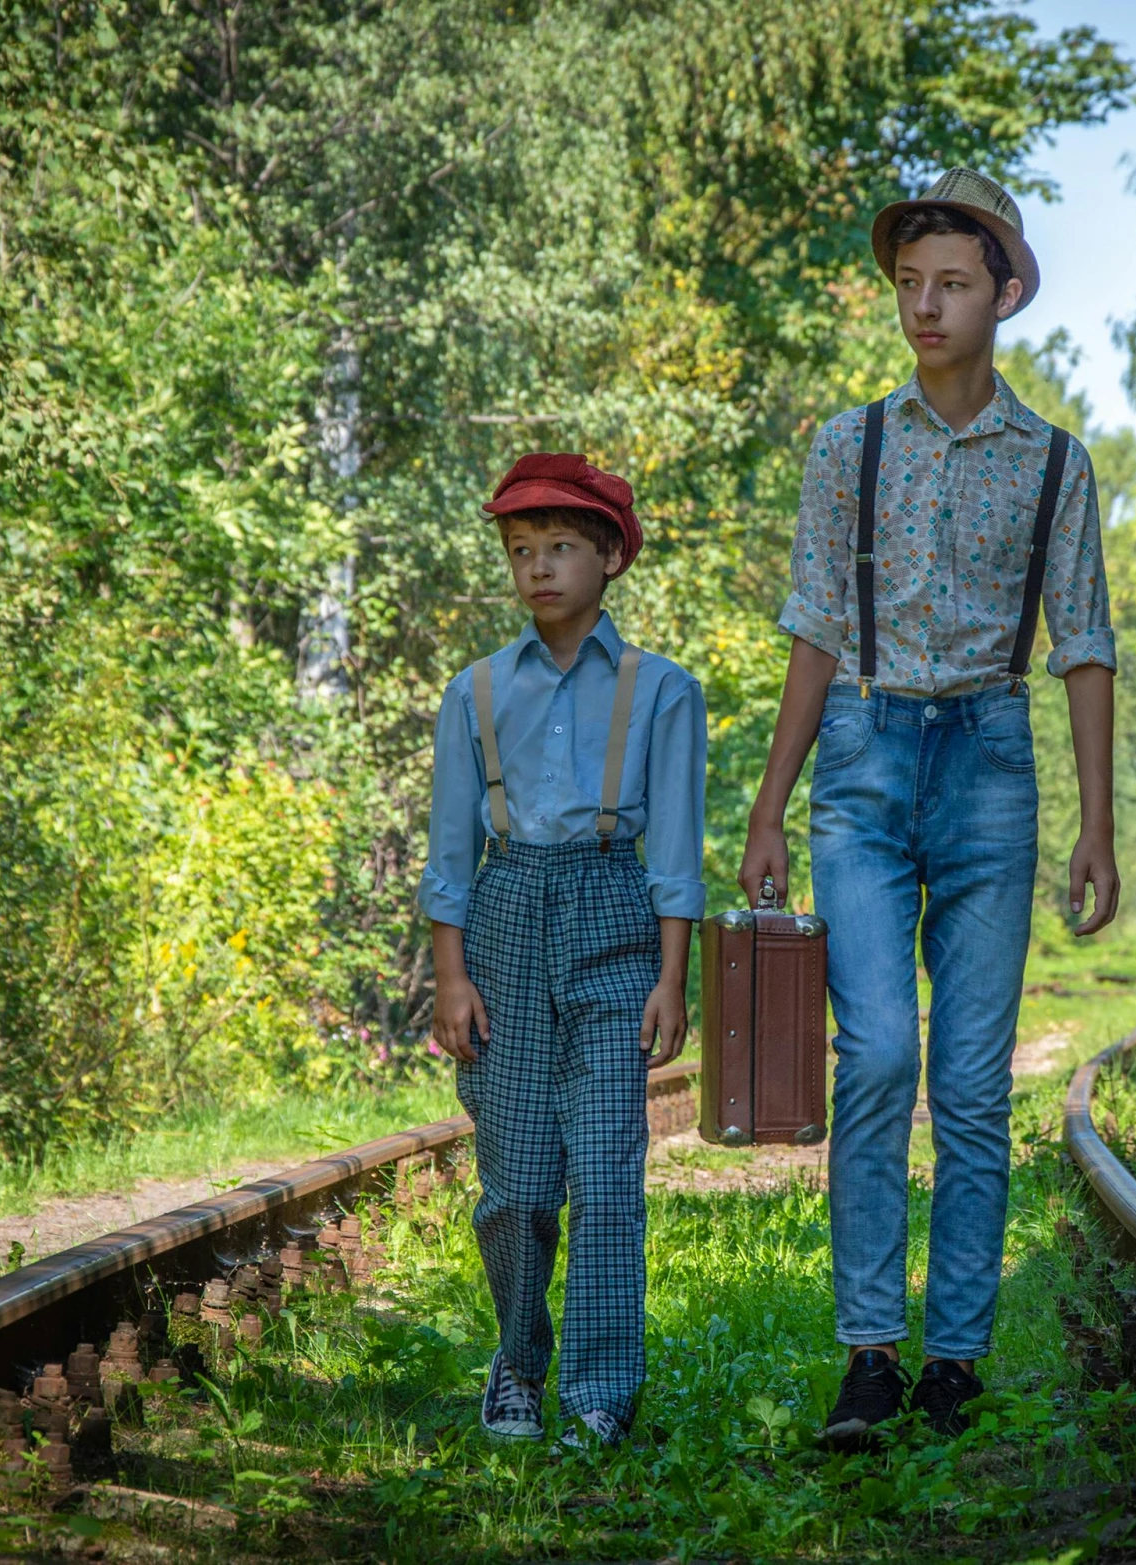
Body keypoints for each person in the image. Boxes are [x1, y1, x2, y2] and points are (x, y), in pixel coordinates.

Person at [739, 169, 1120, 1446]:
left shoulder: (1056, 463)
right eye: (908, 284)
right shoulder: (848, 445)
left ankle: (953, 1355)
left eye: (950, 283)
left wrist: (1097, 825)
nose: (925, 305)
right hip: (860, 754)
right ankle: (867, 1352)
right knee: (879, 1060)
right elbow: (811, 628)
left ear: (1003, 293)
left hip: (989, 766)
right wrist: (767, 806)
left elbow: (1084, 644)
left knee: (963, 1080)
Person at [420, 453, 708, 1449]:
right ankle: (516, 1364)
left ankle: (598, 1387)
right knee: (515, 1184)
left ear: (609, 558)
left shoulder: (662, 690)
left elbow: (671, 847)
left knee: (607, 1173)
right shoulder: (476, 689)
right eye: (520, 551)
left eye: (560, 548)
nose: (538, 568)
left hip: (613, 912)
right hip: (503, 918)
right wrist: (450, 974)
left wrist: (672, 976)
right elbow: (450, 845)